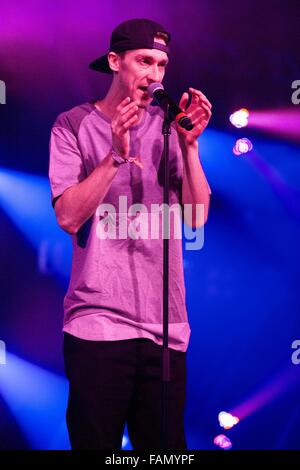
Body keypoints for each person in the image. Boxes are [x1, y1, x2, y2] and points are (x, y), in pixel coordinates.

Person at [49, 18, 212, 450]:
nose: (155, 74)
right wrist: (115, 158)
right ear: (114, 61)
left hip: (165, 327)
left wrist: (191, 146)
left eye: (162, 64)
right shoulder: (72, 124)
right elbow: (67, 216)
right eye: (144, 61)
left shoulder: (169, 128)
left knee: (165, 455)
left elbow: (196, 217)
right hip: (98, 324)